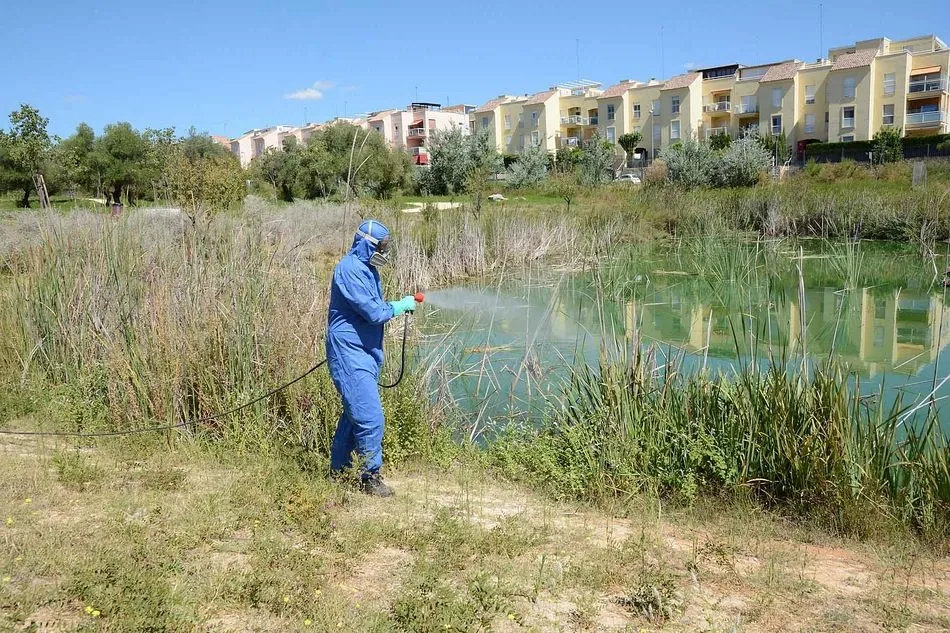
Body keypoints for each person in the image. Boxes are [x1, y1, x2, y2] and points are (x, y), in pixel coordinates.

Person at [326, 219, 417, 497]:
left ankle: (338, 472)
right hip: (349, 352)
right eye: (382, 246)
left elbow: (374, 308)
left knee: (354, 416)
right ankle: (370, 477)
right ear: (366, 243)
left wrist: (395, 306)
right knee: (371, 417)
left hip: (365, 353)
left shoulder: (368, 269)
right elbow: (374, 312)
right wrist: (399, 306)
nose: (385, 251)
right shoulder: (350, 269)